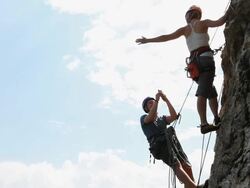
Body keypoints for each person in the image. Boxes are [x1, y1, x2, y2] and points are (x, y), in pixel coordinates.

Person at [136, 5, 229, 134]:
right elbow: (221, 21)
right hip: (205, 60)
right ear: (198, 14)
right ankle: (203, 124)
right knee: (203, 91)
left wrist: (148, 40)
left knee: (209, 89)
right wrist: (231, 10)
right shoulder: (203, 23)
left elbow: (166, 37)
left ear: (189, 15)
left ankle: (216, 118)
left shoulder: (185, 30)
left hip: (194, 66)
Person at [140, 90, 204, 188]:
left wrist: (166, 100)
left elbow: (174, 116)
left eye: (152, 101)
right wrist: (157, 99)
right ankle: (194, 187)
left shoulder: (161, 119)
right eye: (149, 103)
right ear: (146, 108)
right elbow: (151, 117)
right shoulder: (144, 118)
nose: (152, 102)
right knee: (176, 164)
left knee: (186, 165)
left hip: (171, 142)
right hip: (159, 145)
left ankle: (192, 185)